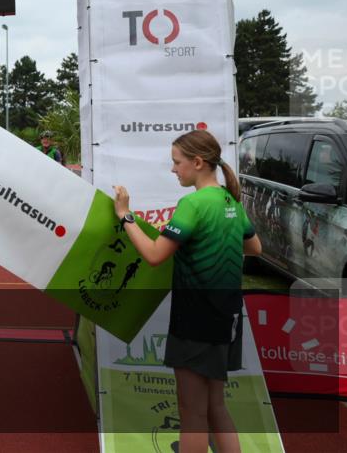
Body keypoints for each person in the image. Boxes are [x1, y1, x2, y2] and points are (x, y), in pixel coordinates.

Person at [113, 129, 262, 453]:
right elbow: (255, 247)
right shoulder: (229, 200)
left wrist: (125, 216)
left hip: (196, 319)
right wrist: (215, 244)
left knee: (192, 413)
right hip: (226, 317)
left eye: (176, 162)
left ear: (197, 162)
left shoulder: (191, 204)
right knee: (215, 407)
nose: (173, 169)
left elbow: (154, 255)